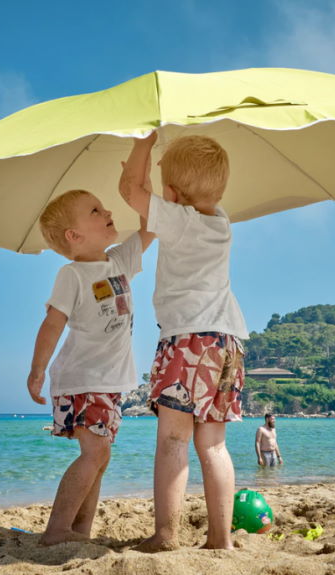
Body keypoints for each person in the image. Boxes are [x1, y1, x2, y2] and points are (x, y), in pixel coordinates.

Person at [119, 132, 249, 552]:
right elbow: (150, 199)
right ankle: (220, 540)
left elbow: (130, 191)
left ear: (172, 195)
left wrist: (143, 145)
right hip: (228, 341)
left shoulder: (179, 219)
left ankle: (165, 534)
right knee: (213, 444)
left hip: (188, 341)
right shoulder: (221, 222)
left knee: (173, 439)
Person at [27, 189, 153, 546]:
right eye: (95, 211)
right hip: (82, 378)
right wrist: (37, 370)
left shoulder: (120, 261)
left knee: (101, 456)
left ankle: (78, 532)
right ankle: (56, 531)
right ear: (74, 236)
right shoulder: (72, 275)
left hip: (109, 382)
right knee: (94, 453)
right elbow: (52, 323)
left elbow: (151, 227)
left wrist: (144, 187)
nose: (108, 211)